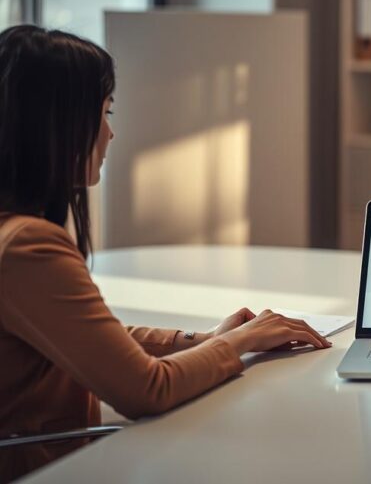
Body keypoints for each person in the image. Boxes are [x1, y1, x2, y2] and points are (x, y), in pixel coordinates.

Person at [0, 25, 332, 482]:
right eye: (104, 112)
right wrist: (242, 341)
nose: (111, 133)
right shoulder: (28, 247)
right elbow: (147, 390)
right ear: (57, 123)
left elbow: (85, 335)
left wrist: (197, 340)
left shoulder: (12, 234)